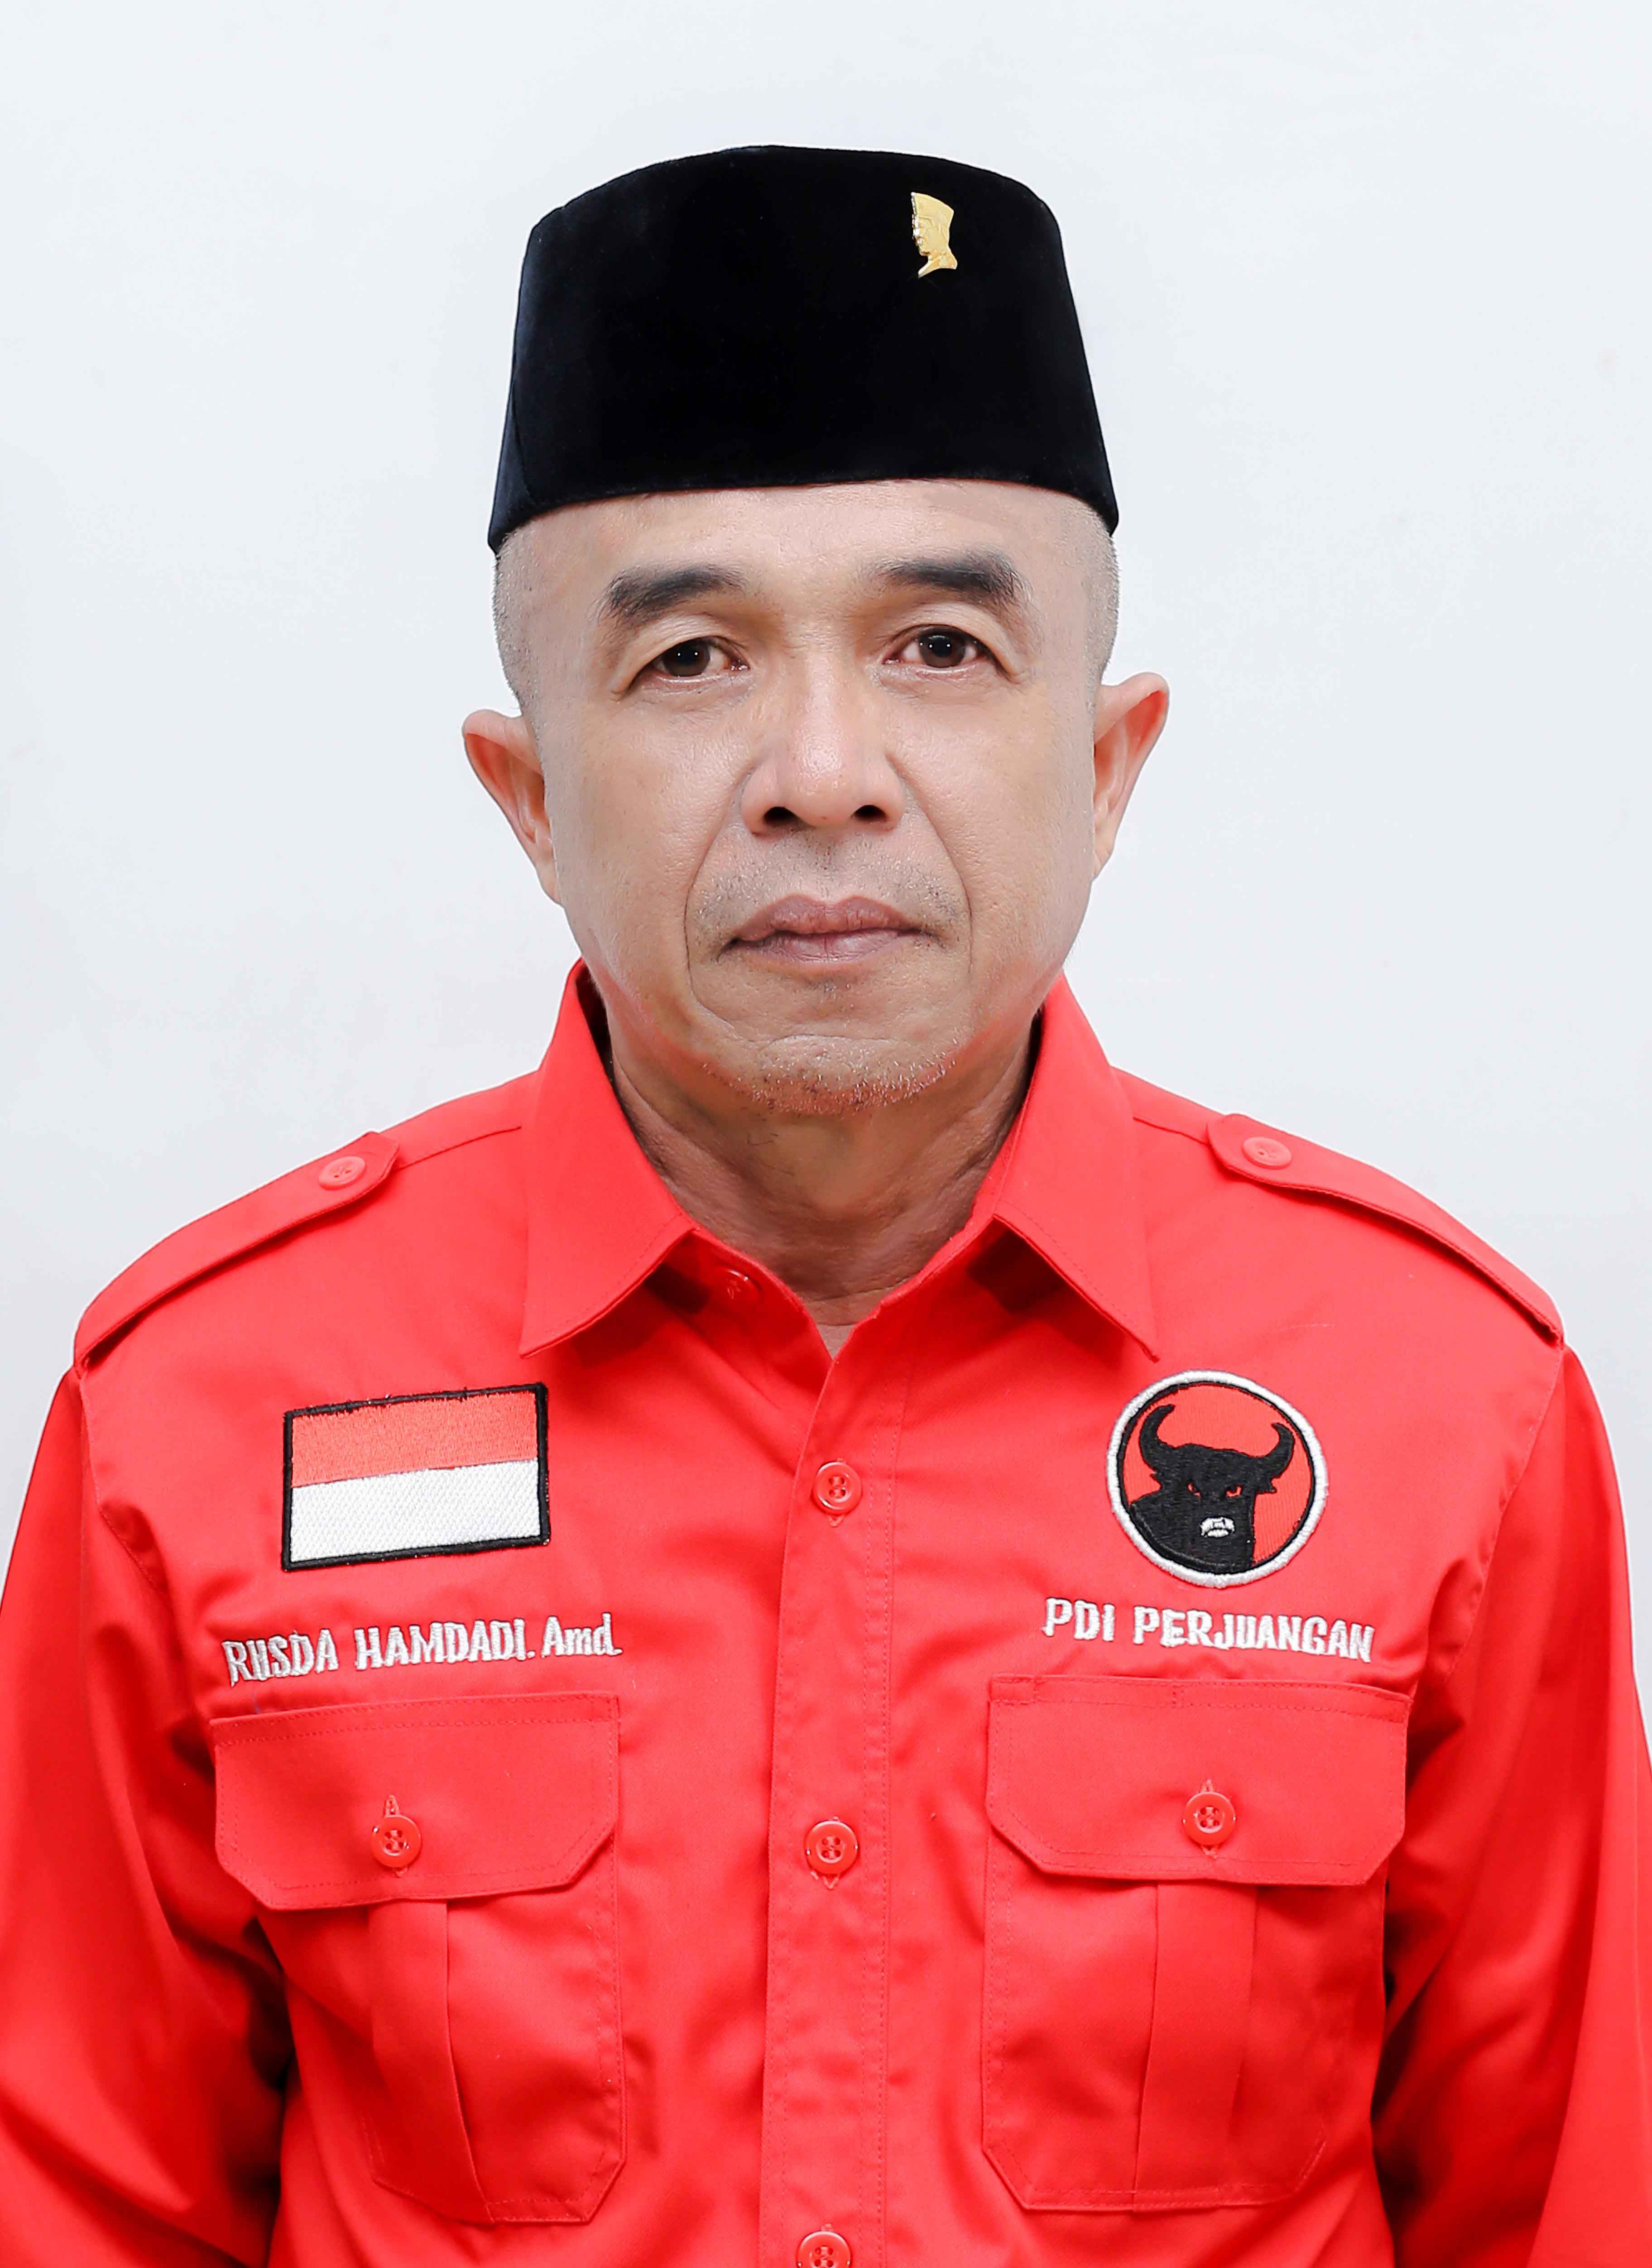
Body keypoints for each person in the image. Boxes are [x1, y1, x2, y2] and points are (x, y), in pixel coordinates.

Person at [0, 144, 1646, 2268]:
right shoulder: (197, 1417)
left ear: (1108, 764)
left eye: (943, 645)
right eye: (692, 661)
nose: (823, 770)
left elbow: (1568, 2208)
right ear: (529, 798)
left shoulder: (1442, 1406)